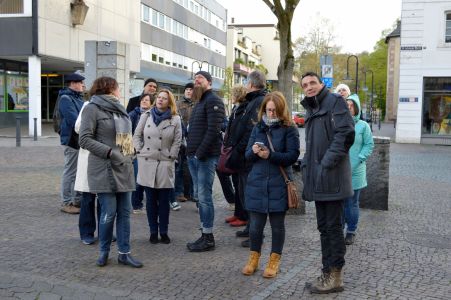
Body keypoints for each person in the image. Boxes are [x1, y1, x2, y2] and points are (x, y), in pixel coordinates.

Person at [300, 72, 355, 293]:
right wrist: (307, 165)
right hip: (319, 180)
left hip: (332, 178)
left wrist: (326, 163)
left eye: (313, 83)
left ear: (321, 84)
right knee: (324, 228)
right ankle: (327, 273)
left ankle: (335, 277)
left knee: (332, 228)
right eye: (305, 85)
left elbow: (345, 134)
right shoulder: (312, 108)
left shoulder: (335, 101)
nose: (309, 87)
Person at [79, 76, 142, 268]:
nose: (119, 91)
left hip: (124, 167)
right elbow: (84, 139)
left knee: (124, 213)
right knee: (108, 213)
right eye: (117, 87)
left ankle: (124, 253)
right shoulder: (92, 108)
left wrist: (130, 154)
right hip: (103, 168)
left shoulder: (120, 109)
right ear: (109, 89)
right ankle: (104, 252)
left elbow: (125, 139)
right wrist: (109, 152)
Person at [241, 91, 300, 278]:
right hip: (257, 183)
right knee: (255, 227)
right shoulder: (257, 127)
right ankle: (254, 258)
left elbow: (292, 156)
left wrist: (270, 155)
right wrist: (253, 150)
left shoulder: (289, 128)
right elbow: (247, 157)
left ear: (281, 110)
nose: (271, 114)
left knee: (277, 226)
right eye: (268, 110)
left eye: (275, 110)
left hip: (278, 183)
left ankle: (274, 261)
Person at [133, 89, 182, 244]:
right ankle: (153, 231)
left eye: (164, 98)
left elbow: (177, 140)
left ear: (170, 102)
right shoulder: (145, 115)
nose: (160, 100)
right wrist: (140, 150)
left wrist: (171, 155)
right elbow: (136, 135)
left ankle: (164, 231)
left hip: (165, 162)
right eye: (159, 97)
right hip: (147, 161)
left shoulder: (175, 119)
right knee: (150, 200)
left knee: (164, 201)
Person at [226, 71, 268, 247]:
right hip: (244, 155)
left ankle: (256, 235)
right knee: (245, 194)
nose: (244, 85)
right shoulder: (252, 100)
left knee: (252, 196)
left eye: (245, 82)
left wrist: (239, 152)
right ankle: (250, 228)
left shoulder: (258, 101)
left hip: (248, 157)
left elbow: (251, 131)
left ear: (251, 84)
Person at [186, 71, 225, 252]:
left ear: (209, 82)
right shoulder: (200, 102)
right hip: (195, 157)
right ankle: (204, 233)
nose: (196, 81)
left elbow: (213, 130)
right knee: (199, 197)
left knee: (205, 197)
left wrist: (199, 153)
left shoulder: (213, 101)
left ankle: (208, 237)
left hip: (205, 157)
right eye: (195, 79)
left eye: (200, 78)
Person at [343, 94, 374, 245]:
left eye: (351, 105)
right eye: (346, 104)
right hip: (340, 170)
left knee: (352, 202)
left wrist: (359, 158)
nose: (348, 107)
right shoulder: (339, 123)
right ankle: (338, 228)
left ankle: (351, 231)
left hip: (356, 171)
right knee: (340, 202)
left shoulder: (363, 126)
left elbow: (369, 144)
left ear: (356, 108)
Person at [222, 84, 250, 228]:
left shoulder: (244, 108)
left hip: (239, 151)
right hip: (233, 148)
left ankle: (243, 215)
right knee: (237, 183)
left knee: (240, 185)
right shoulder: (236, 108)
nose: (231, 96)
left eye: (233, 94)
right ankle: (238, 213)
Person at [58, 73, 85, 214]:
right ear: (73, 84)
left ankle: (77, 200)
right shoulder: (66, 98)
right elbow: (75, 120)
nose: (82, 85)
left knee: (78, 171)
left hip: (80, 140)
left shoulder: (78, 98)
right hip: (71, 140)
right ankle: (66, 202)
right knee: (70, 171)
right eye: (80, 83)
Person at [129, 94, 153, 214]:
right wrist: (134, 149)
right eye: (143, 100)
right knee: (138, 179)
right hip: (138, 152)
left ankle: (144, 203)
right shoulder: (133, 114)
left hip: (151, 151)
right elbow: (129, 133)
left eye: (147, 100)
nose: (144, 101)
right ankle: (135, 204)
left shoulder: (154, 115)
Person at [174, 82, 195, 206]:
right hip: (180, 138)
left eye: (191, 90)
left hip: (193, 139)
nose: (188, 91)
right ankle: (179, 193)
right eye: (187, 89)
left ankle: (191, 193)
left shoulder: (197, 104)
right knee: (179, 168)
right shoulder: (178, 104)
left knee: (191, 168)